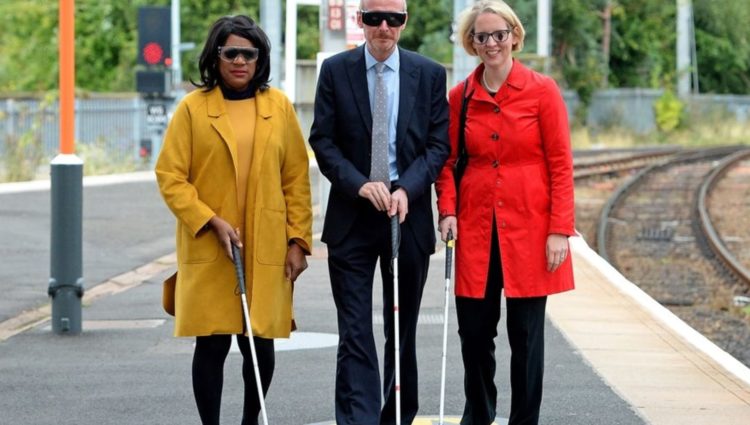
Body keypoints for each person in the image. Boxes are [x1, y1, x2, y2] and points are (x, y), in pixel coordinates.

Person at [155, 15, 312, 425]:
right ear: (216, 56)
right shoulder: (193, 108)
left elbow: (296, 177)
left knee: (259, 343)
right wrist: (208, 220)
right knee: (211, 344)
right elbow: (170, 176)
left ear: (260, 59)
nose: (240, 61)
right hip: (210, 242)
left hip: (267, 244)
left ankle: (249, 422)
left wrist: (299, 240)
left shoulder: (277, 106)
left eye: (249, 53)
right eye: (231, 53)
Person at [308, 0, 449, 423]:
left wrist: (408, 187)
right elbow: (323, 141)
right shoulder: (335, 71)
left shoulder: (428, 74)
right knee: (354, 330)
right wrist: (358, 184)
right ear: (360, 22)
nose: (383, 27)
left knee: (400, 328)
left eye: (393, 19)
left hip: (407, 217)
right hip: (352, 216)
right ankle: (358, 418)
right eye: (374, 18)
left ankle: (397, 415)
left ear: (404, 23)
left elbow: (438, 146)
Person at [435, 1, 575, 424]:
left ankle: (523, 420)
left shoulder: (542, 90)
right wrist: (447, 210)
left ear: (514, 35)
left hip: (530, 229)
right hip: (474, 230)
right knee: (474, 334)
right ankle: (478, 414)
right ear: (471, 43)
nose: (492, 43)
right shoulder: (460, 97)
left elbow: (561, 163)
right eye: (482, 36)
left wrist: (559, 230)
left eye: (499, 34)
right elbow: (447, 162)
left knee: (527, 337)